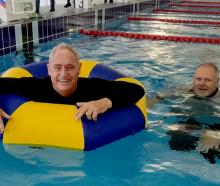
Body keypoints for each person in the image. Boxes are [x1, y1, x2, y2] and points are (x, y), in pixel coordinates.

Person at [0, 43, 145, 133]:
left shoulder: (91, 87)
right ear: (49, 69)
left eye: (70, 67)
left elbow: (136, 89)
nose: (63, 74)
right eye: (57, 68)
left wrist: (103, 103)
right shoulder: (34, 86)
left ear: (79, 69)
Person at [165, 62, 220, 163]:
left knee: (212, 150)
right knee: (178, 139)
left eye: (207, 80)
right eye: (198, 79)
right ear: (193, 80)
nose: (201, 83)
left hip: (217, 125)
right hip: (193, 121)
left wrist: (216, 135)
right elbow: (157, 97)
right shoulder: (184, 90)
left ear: (217, 82)